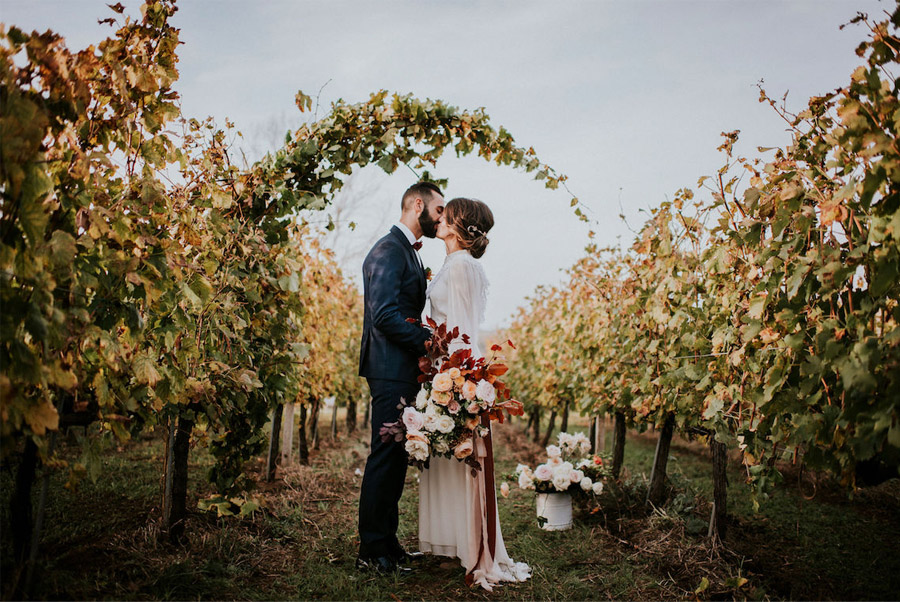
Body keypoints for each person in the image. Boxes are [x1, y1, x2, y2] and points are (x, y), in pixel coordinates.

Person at [418, 197, 531, 591]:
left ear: (458, 224)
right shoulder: (453, 263)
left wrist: (460, 378)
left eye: (446, 214)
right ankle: (453, 540)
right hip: (442, 367)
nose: (440, 216)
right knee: (448, 459)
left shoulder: (464, 265)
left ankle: (474, 546)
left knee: (465, 461)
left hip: (456, 371)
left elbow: (464, 328)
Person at [357, 182, 445, 574]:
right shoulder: (388, 250)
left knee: (395, 461)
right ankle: (371, 552)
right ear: (417, 204)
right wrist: (430, 341)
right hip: (390, 370)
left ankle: (388, 546)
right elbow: (384, 315)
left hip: (402, 371)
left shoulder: (404, 251)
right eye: (439, 210)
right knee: (384, 459)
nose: (442, 218)